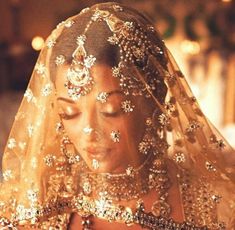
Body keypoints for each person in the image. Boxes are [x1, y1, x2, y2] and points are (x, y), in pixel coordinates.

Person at [0, 2, 235, 229]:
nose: (88, 133)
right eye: (69, 113)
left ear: (155, 99)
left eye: (110, 110)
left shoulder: (216, 208)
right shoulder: (29, 208)